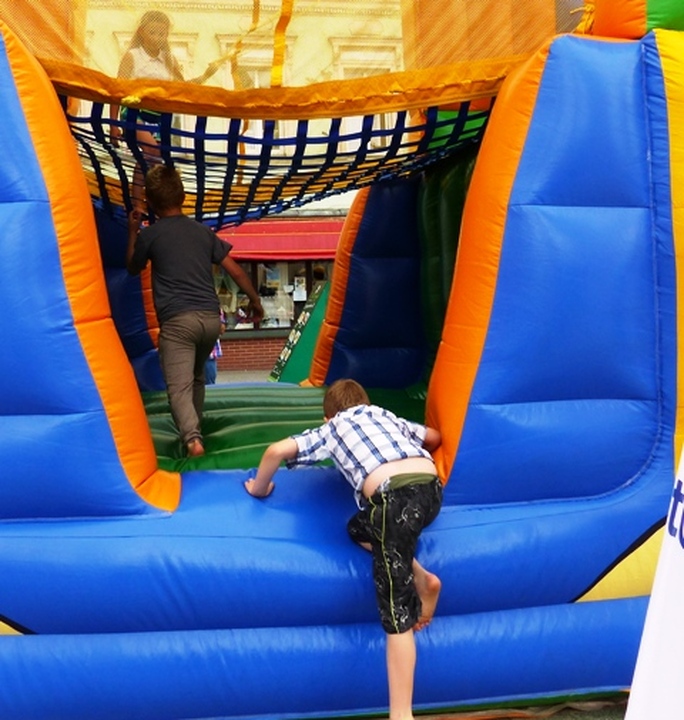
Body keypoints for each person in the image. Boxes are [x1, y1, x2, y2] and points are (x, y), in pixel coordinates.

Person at [244, 378, 443, 720]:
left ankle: (401, 714)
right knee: (358, 529)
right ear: (366, 403)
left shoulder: (333, 427)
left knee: (396, 615)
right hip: (432, 491)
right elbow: (434, 437)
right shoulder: (385, 414)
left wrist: (259, 488)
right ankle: (420, 575)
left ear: (328, 416)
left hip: (394, 499)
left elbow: (275, 451)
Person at [127, 164, 264, 457]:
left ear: (151, 203)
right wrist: (256, 301)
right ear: (183, 196)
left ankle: (192, 440)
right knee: (197, 376)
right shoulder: (202, 232)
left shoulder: (152, 235)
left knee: (178, 386)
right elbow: (235, 271)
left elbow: (132, 267)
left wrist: (132, 232)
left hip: (179, 322)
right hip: (210, 321)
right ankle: (196, 425)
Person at [110, 11, 225, 209]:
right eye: (153, 32)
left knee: (150, 158)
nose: (157, 38)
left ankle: (141, 203)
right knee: (152, 151)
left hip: (159, 118)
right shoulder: (133, 56)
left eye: (162, 34)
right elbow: (116, 91)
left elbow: (184, 88)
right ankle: (138, 205)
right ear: (142, 32)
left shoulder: (169, 59)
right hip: (133, 113)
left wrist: (206, 74)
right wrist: (114, 125)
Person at [205, 308, 226, 385]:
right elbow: (221, 329)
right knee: (209, 384)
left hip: (194, 352)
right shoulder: (214, 307)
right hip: (208, 351)